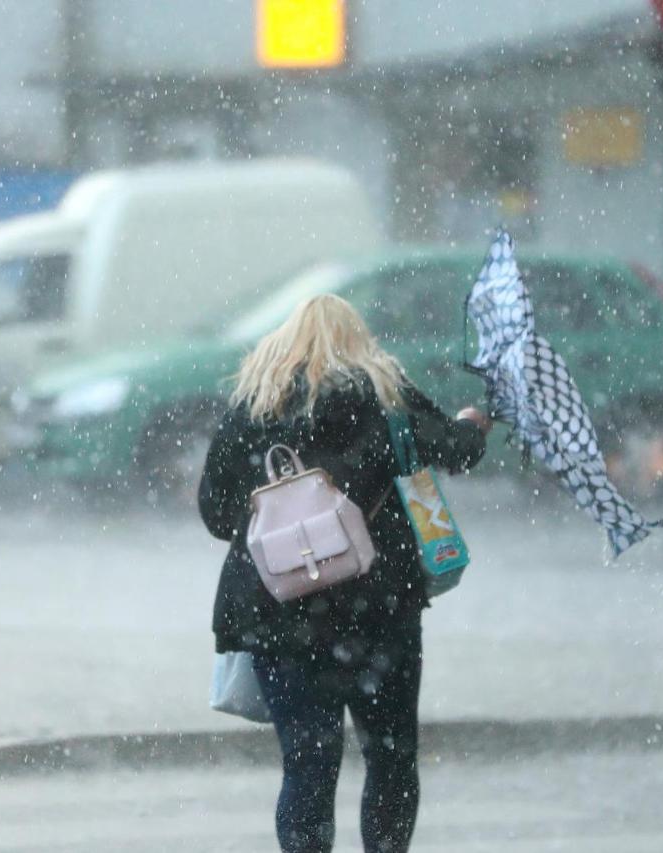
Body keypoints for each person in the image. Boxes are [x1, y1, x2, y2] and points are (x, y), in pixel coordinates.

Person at [198, 294, 491, 852]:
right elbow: (456, 451)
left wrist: (280, 516)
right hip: (379, 611)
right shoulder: (386, 397)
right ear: (359, 342)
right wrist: (473, 424)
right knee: (390, 757)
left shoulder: (253, 408)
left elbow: (215, 514)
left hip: (281, 613)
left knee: (307, 764)